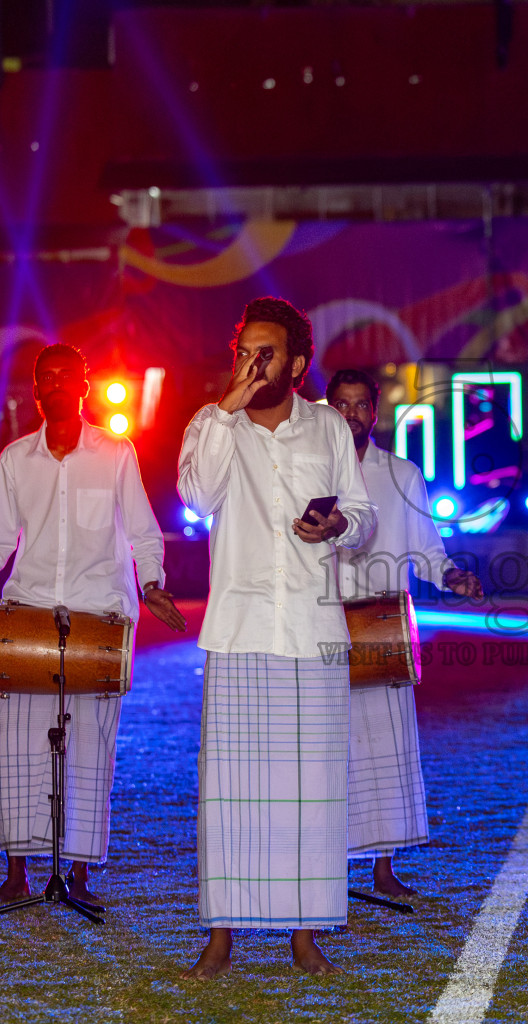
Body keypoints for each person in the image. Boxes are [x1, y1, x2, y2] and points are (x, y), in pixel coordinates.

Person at [0, 343, 187, 905]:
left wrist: (152, 583)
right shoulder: (17, 458)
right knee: (15, 746)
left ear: (84, 386)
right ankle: (16, 876)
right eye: (47, 376)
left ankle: (78, 878)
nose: (57, 383)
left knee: (89, 750)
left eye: (68, 375)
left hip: (99, 615)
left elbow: (142, 533)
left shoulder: (116, 452)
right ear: (36, 390)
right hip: (29, 615)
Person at [177, 297, 376, 978]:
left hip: (313, 632)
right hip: (239, 631)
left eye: (267, 354)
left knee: (312, 790)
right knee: (229, 791)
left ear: (296, 364)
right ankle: (221, 937)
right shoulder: (212, 424)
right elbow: (197, 498)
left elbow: (363, 515)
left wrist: (339, 526)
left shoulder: (328, 427)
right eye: (244, 353)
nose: (254, 364)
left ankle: (304, 934)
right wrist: (226, 406)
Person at [326, 368, 484, 898]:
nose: (351, 414)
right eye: (341, 404)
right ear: (328, 409)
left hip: (384, 629)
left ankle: (383, 869)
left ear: (375, 413)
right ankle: (324, 869)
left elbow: (427, 549)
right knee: (326, 748)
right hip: (319, 625)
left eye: (360, 404)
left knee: (386, 748)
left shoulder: (401, 474)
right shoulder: (308, 471)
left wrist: (452, 576)